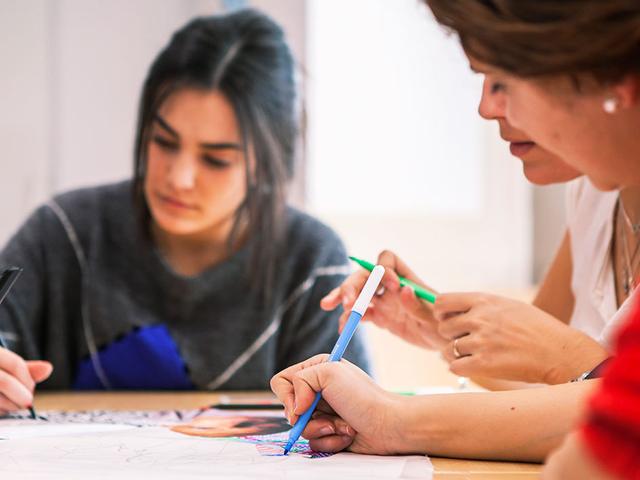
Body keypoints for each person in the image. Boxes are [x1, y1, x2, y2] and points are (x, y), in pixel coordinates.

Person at [271, 0, 640, 464]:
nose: (486, 108)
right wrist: (441, 333)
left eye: (503, 79)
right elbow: (544, 392)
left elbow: (603, 402)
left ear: (607, 75)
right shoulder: (596, 190)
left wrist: (392, 419)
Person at [0, 9, 369, 415]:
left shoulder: (310, 261)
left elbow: (354, 417)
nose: (179, 177)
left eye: (215, 160)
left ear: (267, 166)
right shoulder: (63, 233)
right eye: (163, 141)